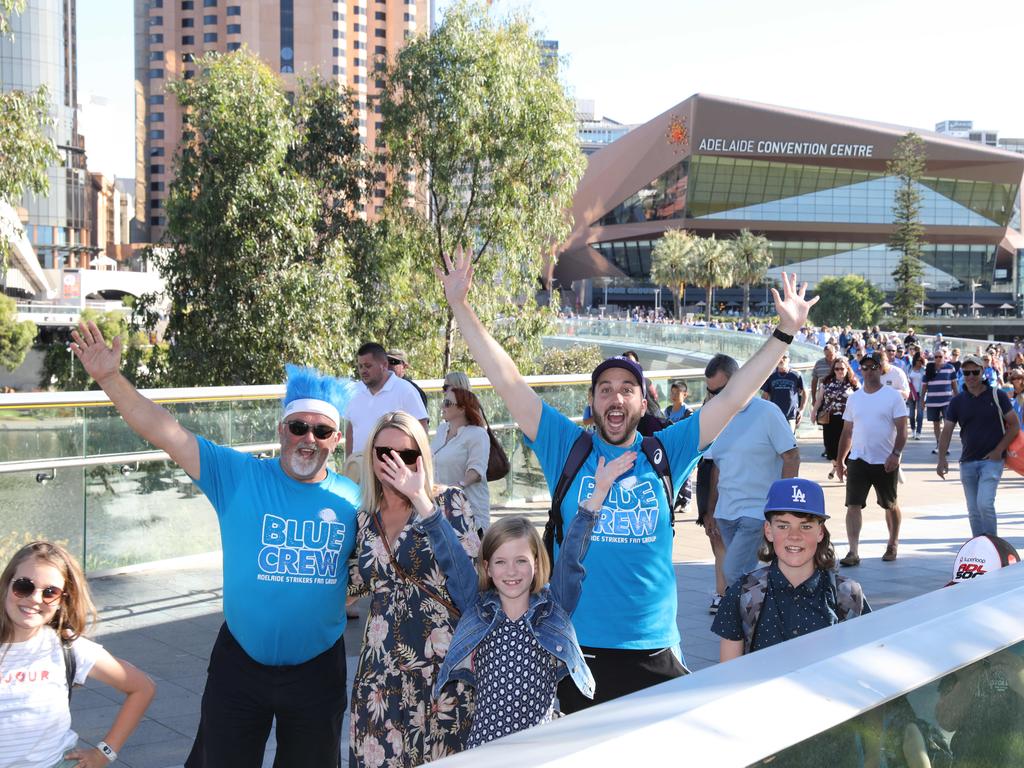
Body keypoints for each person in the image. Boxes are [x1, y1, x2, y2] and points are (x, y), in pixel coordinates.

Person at [437, 246, 817, 711]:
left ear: (642, 403)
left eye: (627, 390)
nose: (615, 398)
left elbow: (735, 396)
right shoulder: (566, 447)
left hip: (653, 648)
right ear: (593, 403)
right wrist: (460, 305)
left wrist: (784, 333)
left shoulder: (666, 451)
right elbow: (508, 380)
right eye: (604, 390)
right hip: (575, 646)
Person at [71, 322, 361, 767]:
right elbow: (165, 431)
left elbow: (385, 558)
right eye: (300, 427)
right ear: (282, 429)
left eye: (322, 432)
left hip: (317, 672)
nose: (309, 439)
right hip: (240, 666)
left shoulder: (353, 499)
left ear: (336, 441)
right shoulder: (238, 476)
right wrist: (110, 379)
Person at [418, 452, 636, 748]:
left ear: (536, 562)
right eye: (500, 562)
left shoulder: (553, 609)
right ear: (487, 568)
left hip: (539, 748)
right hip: (486, 749)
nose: (511, 571)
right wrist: (421, 499)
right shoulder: (477, 607)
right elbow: (451, 557)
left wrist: (598, 493)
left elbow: (572, 555)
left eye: (521, 561)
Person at [347, 412, 476, 768]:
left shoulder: (449, 502)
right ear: (370, 455)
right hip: (380, 673)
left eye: (405, 455)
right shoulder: (363, 519)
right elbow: (351, 585)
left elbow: (471, 583)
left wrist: (421, 499)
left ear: (422, 458)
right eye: (384, 451)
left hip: (441, 671)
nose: (394, 462)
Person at [0, 541, 155, 767]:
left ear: (62, 600)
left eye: (50, 592)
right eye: (24, 586)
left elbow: (142, 688)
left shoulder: (67, 647)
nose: (34, 598)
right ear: (6, 585)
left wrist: (104, 753)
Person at [712, 478, 869, 660]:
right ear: (768, 530)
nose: (794, 536)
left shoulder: (847, 594)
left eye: (806, 526)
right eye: (783, 526)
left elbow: (863, 663)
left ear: (820, 532)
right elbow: (729, 674)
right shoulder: (742, 593)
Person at [706, 353, 801, 587]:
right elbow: (716, 468)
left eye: (721, 391)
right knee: (744, 576)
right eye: (712, 392)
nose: (716, 397)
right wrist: (710, 510)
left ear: (738, 379)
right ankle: (763, 614)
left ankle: (746, 619)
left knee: (733, 571)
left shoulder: (767, 412)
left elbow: (792, 457)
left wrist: (780, 505)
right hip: (725, 512)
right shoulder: (714, 415)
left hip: (757, 511)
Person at [836, 351, 909, 566]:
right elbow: (847, 431)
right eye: (864, 367)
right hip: (858, 459)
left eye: (873, 367)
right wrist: (840, 460)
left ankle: (892, 543)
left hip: (885, 460)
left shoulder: (892, 396)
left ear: (881, 369)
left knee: (890, 504)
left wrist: (896, 454)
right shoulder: (854, 398)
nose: (868, 371)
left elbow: (903, 429)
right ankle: (853, 551)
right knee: (853, 505)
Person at [937, 354, 1020, 537]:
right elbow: (947, 431)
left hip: (992, 461)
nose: (971, 376)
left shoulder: (997, 395)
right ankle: (979, 546)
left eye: (975, 371)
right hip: (967, 461)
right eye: (967, 373)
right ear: (962, 374)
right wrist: (941, 459)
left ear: (983, 372)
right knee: (973, 510)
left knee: (985, 504)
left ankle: (993, 545)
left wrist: (998, 450)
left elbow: (1014, 425)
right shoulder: (957, 401)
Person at [344, 342, 429, 482]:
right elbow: (351, 428)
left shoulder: (405, 390)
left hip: (393, 472)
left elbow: (421, 428)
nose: (363, 370)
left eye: (368, 366)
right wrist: (349, 461)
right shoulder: (354, 391)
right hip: (359, 471)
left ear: (383, 364)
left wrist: (413, 466)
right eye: (360, 366)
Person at [432, 386, 492, 530]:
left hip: (468, 511)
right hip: (439, 510)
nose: (442, 406)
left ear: (462, 408)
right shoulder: (441, 430)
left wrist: (455, 487)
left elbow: (477, 471)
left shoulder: (477, 434)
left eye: (447, 403)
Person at [810, 355, 859, 480]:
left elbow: (862, 399)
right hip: (830, 418)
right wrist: (813, 412)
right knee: (830, 447)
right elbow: (820, 399)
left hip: (847, 419)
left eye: (842, 369)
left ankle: (843, 469)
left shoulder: (853, 383)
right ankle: (837, 466)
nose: (840, 371)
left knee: (846, 446)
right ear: (833, 370)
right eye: (837, 369)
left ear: (847, 369)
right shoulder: (826, 382)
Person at [922, 348, 958, 455]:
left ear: (944, 357)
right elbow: (924, 386)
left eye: (940, 357)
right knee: (936, 424)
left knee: (948, 424)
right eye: (936, 357)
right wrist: (922, 400)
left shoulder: (950, 368)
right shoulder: (929, 368)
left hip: (947, 401)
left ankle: (945, 445)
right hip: (932, 401)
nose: (938, 359)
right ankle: (939, 444)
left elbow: (954, 386)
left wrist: (958, 400)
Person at [761, 353, 806, 431]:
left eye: (784, 357)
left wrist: (801, 410)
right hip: (774, 415)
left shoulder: (796, 375)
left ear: (789, 359)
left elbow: (805, 392)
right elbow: (765, 395)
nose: (781, 360)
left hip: (790, 415)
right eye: (779, 357)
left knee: (790, 441)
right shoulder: (771, 376)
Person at [386, 348, 429, 413]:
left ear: (404, 366)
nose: (388, 365)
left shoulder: (412, 390)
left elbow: (421, 420)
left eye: (393, 362)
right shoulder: (381, 389)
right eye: (386, 362)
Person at [906, 352, 926, 439]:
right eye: (918, 360)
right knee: (911, 414)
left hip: (921, 394)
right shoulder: (909, 368)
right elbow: (905, 379)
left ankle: (918, 432)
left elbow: (926, 382)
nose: (919, 362)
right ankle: (913, 430)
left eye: (921, 361)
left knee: (920, 414)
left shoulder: (924, 370)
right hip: (911, 393)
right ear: (915, 360)